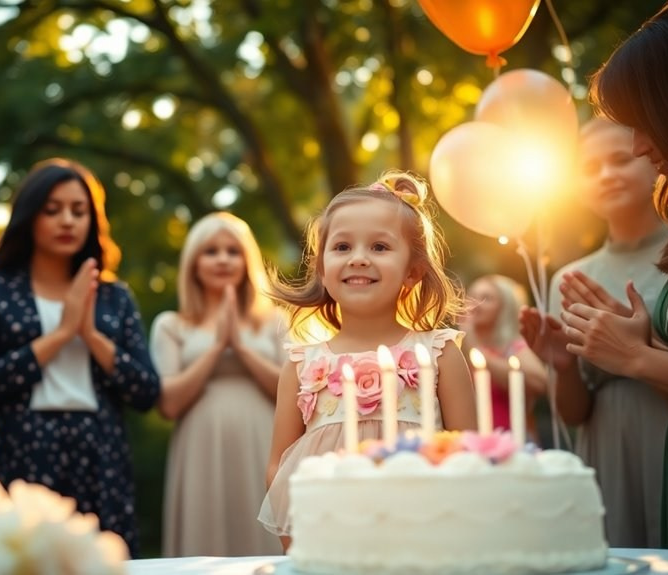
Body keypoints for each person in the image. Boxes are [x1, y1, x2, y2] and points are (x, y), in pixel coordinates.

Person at [0, 158, 160, 557]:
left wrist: (90, 335)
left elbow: (146, 391)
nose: (67, 220)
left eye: (78, 211)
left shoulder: (114, 296)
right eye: (53, 210)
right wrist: (62, 334)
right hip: (17, 452)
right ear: (29, 216)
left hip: (100, 455)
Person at [259, 171, 477, 548]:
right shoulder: (301, 365)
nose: (359, 259)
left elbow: (469, 455)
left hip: (422, 536)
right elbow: (279, 466)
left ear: (413, 271)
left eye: (379, 247)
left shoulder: (439, 353)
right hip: (330, 537)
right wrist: (297, 539)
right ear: (322, 269)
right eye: (343, 247)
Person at [520, 117, 668, 547]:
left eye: (620, 160)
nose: (606, 175)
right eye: (590, 167)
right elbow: (572, 413)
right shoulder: (571, 277)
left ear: (651, 157)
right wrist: (564, 369)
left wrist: (636, 348)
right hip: (605, 449)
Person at [150, 212, 284, 557]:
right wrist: (215, 348)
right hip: (200, 447)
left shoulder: (276, 321)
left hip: (264, 441)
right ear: (194, 263)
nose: (223, 259)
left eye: (232, 251)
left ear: (247, 259)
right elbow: (169, 404)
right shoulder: (172, 325)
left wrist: (240, 348)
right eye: (211, 251)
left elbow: (296, 396)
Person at [461, 275, 546, 439]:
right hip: (468, 440)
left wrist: (475, 348)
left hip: (510, 440)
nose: (475, 305)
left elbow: (540, 382)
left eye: (486, 299)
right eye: (472, 296)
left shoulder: (513, 345)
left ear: (504, 308)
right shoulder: (455, 345)